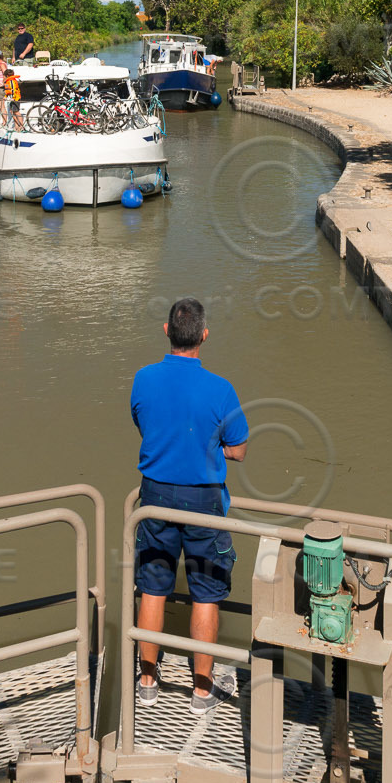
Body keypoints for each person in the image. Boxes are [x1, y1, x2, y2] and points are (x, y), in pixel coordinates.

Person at [131, 298, 248, 714]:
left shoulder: (143, 379)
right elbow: (238, 449)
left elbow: (143, 423)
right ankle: (202, 690)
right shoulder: (221, 389)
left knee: (153, 585)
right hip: (203, 502)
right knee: (205, 591)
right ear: (204, 335)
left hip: (155, 497)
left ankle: (147, 681)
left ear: (166, 330)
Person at [4, 65, 24, 131]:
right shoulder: (8, 81)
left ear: (7, 76)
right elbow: (8, 91)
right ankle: (16, 126)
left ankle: (21, 125)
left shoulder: (11, 81)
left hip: (16, 98)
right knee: (12, 111)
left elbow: (13, 90)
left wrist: (13, 98)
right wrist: (5, 97)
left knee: (16, 112)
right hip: (12, 98)